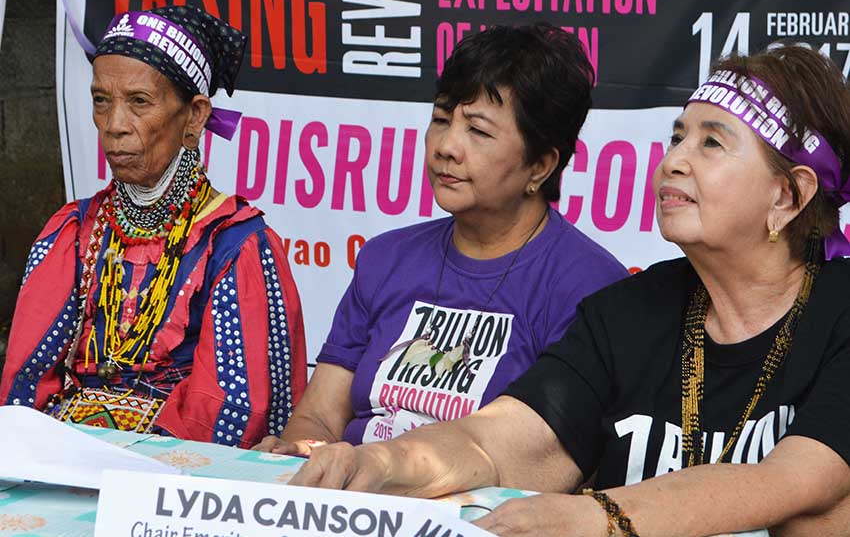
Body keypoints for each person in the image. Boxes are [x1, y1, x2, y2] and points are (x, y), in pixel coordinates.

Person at [288, 44, 850, 537]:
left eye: (710, 144)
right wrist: (382, 462)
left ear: (787, 195)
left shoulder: (841, 307)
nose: (673, 161)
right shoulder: (630, 310)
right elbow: (501, 441)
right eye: (677, 137)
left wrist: (598, 518)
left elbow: (800, 480)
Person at [255, 24, 627, 455]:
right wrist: (304, 450)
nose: (446, 146)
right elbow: (319, 415)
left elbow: (548, 461)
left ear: (540, 166)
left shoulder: (589, 288)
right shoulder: (385, 258)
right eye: (441, 119)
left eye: (479, 131)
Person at [0, 5, 307, 448]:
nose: (114, 126)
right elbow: (25, 384)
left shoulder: (235, 245)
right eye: (101, 101)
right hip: (61, 457)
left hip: (170, 477)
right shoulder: (75, 230)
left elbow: (231, 412)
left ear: (195, 116)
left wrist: (132, 469)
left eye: (139, 102)